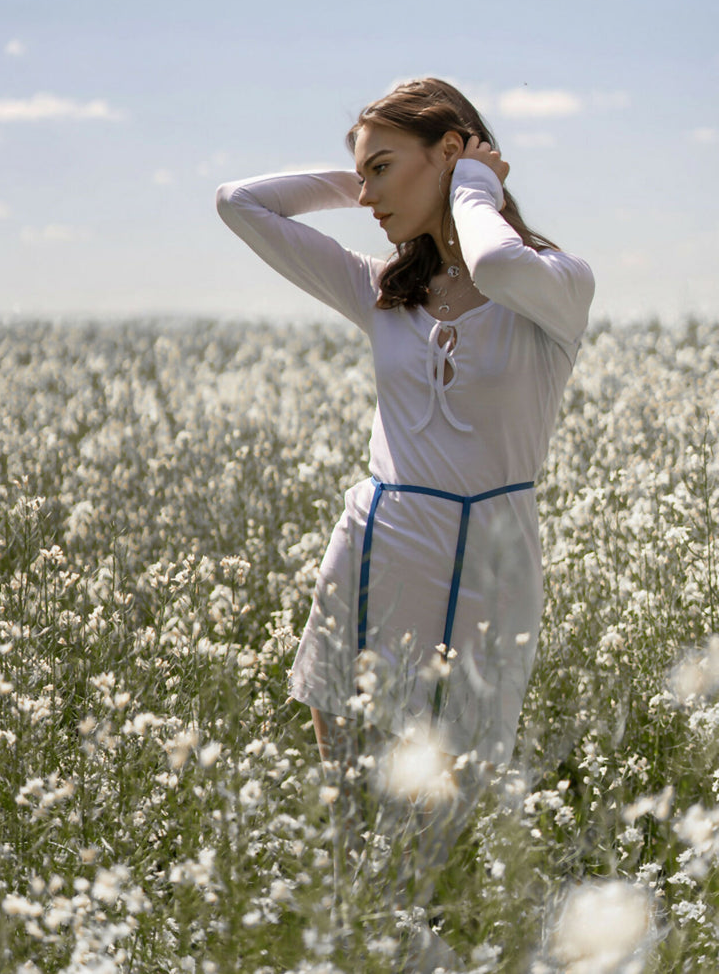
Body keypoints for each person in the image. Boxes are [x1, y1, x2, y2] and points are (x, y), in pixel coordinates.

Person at [216, 77, 594, 960]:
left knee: (451, 805)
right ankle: (360, 945)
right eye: (364, 178)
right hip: (377, 545)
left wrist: (469, 188)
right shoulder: (383, 287)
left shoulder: (556, 286)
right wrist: (379, 182)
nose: (371, 196)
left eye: (385, 170)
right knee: (350, 804)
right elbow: (241, 204)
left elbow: (497, 265)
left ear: (455, 149)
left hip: (490, 565)